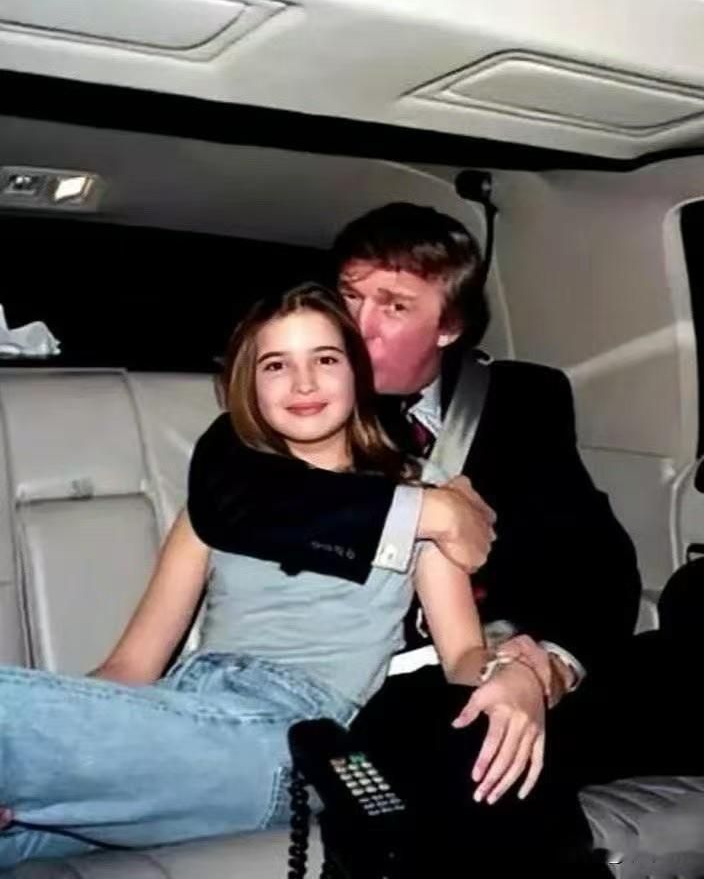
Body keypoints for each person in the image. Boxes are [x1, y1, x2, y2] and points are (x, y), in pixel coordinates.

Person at [185, 204, 704, 871]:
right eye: (349, 297)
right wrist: (424, 511)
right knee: (473, 746)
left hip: (512, 660)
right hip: (388, 689)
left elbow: (596, 562)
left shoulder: (522, 400)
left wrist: (544, 664)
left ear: (449, 326)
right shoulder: (296, 402)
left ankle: (689, 628)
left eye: (394, 306)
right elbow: (227, 499)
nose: (357, 325)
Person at [0, 283, 522, 870]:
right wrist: (70, 724)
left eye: (325, 359)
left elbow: (463, 654)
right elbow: (131, 668)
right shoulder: (224, 503)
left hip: (291, 738)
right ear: (251, 385)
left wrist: (515, 673)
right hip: (182, 714)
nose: (303, 384)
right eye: (276, 365)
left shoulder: (422, 496)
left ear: (357, 372)